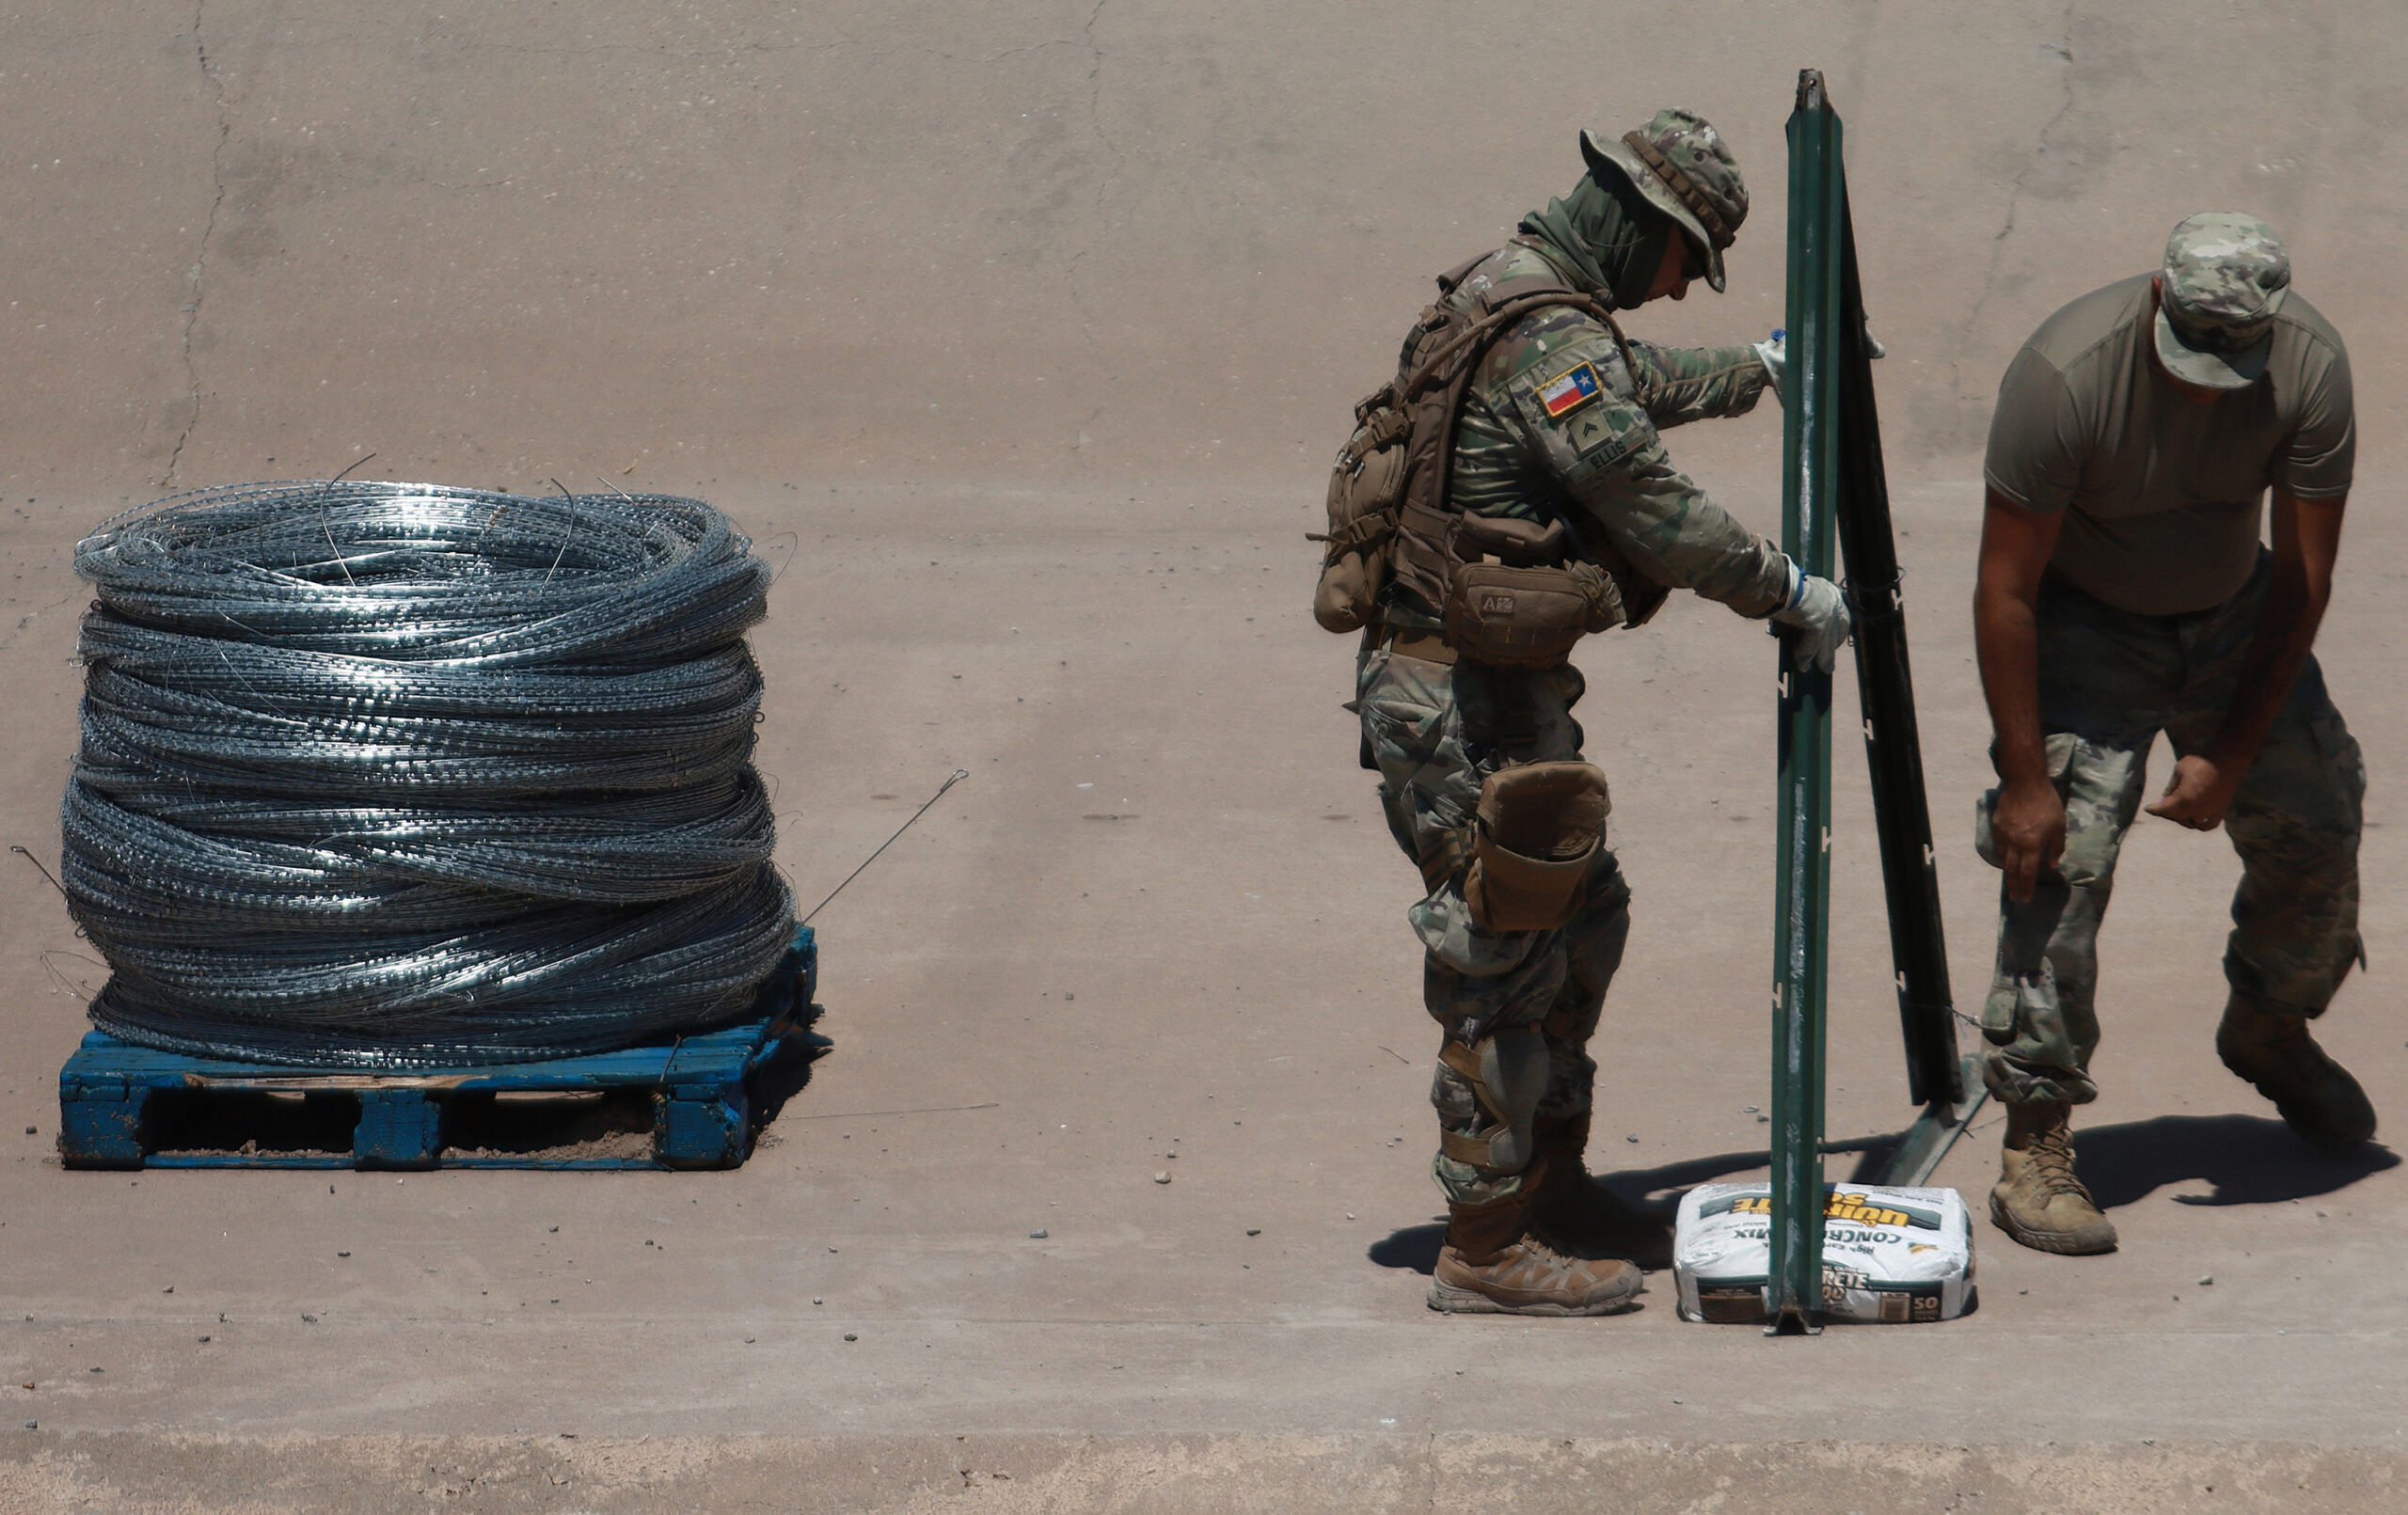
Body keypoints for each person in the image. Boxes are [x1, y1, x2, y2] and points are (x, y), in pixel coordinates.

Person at [1348, 108, 1850, 1316]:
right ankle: (1482, 1246)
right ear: (1643, 222)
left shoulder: (1514, 296)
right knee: (1502, 954)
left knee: (1584, 919)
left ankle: (1549, 1181)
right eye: (1685, 259)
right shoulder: (1548, 330)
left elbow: (1625, 388)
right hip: (1455, 703)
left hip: (1491, 692)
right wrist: (1781, 588)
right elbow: (1643, 497)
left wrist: (1758, 368)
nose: (1678, 286)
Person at [1973, 212, 2373, 1256]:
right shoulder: (2065, 377)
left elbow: (2304, 576)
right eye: (2191, 352)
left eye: (2232, 360)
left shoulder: (2311, 369)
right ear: (2158, 297)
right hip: (2085, 619)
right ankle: (2034, 1135)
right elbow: (2005, 588)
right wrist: (2025, 777)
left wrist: (2232, 752)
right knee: (2060, 858)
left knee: (2321, 820)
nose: (2205, 385)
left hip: (2236, 610)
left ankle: (2270, 1026)